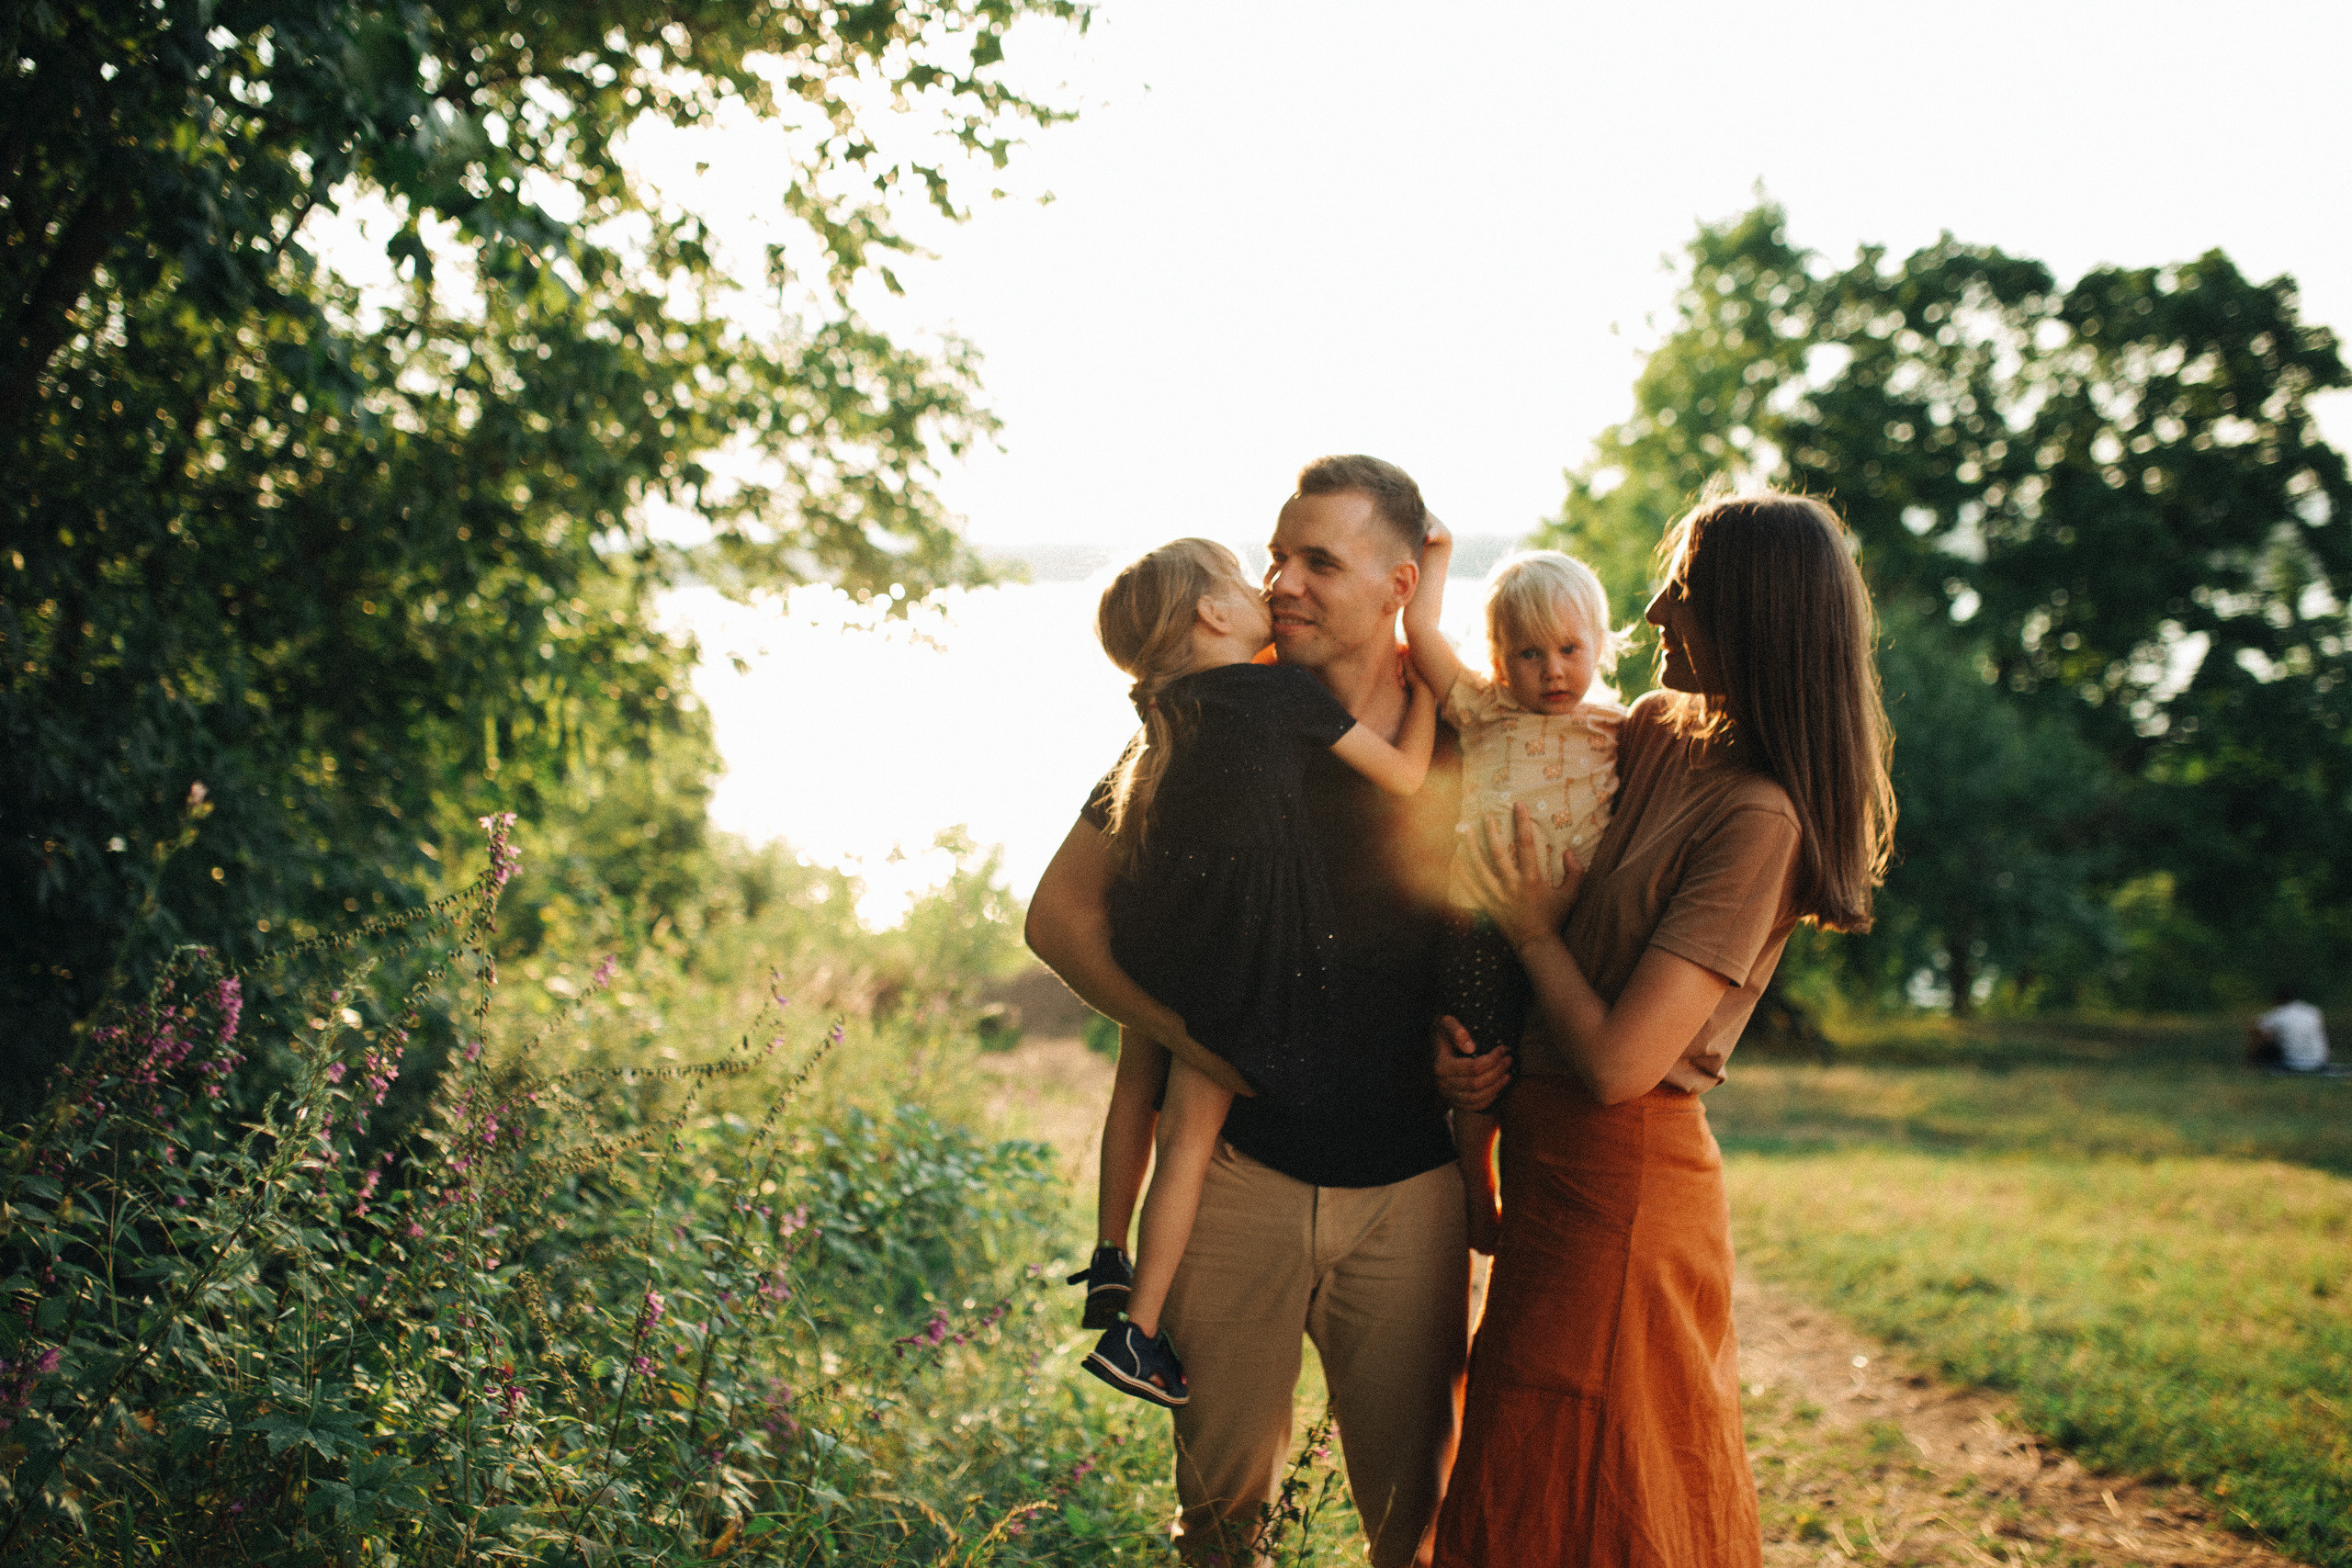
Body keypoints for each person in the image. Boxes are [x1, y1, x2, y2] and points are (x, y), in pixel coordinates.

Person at [1431, 491, 1895, 1568]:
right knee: (1526, 1464)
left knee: (1597, 1482)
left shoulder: (1759, 819)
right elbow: (1496, 745)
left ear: (1746, 616)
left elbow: (1616, 1065)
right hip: (1548, 1163)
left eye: (1677, 591)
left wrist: (1532, 932)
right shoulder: (1648, 734)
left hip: (1626, 1188)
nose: (1646, 611)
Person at [1027, 455, 1467, 1567]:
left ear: (1396, 585)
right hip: (1235, 1185)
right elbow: (1061, 916)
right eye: (1275, 557)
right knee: (1221, 1528)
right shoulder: (1211, 722)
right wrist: (1181, 1036)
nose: (1283, 582)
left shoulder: (1461, 731)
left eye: (1318, 561)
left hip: (1409, 1191)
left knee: (1419, 1526)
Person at [1070, 536, 1438, 1404]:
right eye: (1246, 579)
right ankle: (1140, 1331)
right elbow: (1408, 777)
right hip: (1236, 959)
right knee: (1192, 1136)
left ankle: (1106, 1258)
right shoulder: (1275, 694)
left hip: (1159, 934)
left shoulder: (1167, 705)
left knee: (1140, 1089)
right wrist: (1423, 688)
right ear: (1213, 614)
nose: (1268, 590)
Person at [1401, 527, 1626, 1254]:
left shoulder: (1619, 728)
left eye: (1569, 649)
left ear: (1600, 646)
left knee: (1553, 1059)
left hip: (1572, 925)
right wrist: (1435, 557)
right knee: (1478, 1049)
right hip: (1479, 916)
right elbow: (1422, 632)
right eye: (1528, 653)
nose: (1552, 670)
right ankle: (1475, 1176)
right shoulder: (1485, 709)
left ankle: (1548, 1188)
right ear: (1500, 658)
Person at [2247, 984, 2331, 1072]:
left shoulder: (2279, 1013)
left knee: (2259, 1034)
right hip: (2319, 1062)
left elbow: (2255, 1027)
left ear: (2278, 999)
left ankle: (2250, 1066)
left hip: (2292, 1063)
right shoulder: (2313, 1011)